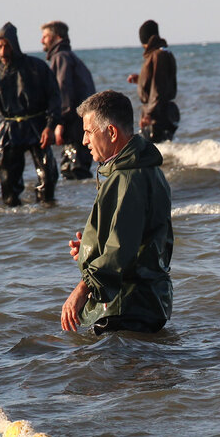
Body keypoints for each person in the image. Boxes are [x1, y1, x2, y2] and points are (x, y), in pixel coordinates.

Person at [61, 90, 173, 335]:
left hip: (126, 307)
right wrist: (89, 249)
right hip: (145, 303)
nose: (84, 141)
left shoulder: (128, 177)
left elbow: (120, 249)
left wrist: (82, 289)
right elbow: (136, 239)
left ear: (111, 132)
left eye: (89, 132)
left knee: (113, 371)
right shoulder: (146, 170)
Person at [0, 23, 61, 207]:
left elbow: (54, 98)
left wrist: (50, 126)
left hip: (37, 127)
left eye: (6, 46)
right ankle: (14, 217)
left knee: (47, 175)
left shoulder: (37, 67)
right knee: (7, 179)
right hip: (9, 131)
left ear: (14, 46)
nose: (3, 51)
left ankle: (46, 210)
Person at [41, 20, 96, 180]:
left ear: (57, 37)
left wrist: (59, 123)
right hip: (82, 126)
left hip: (74, 128)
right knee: (79, 172)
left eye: (45, 36)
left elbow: (64, 93)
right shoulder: (71, 58)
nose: (42, 40)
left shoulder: (61, 58)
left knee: (73, 172)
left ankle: (80, 204)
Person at [125, 20, 178, 143]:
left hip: (157, 116)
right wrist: (140, 80)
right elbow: (159, 82)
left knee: (151, 155)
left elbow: (158, 88)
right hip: (163, 113)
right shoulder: (164, 53)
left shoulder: (157, 55)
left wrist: (149, 114)